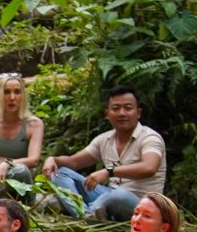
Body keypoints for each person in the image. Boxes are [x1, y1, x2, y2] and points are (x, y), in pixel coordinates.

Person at [41, 85, 166, 221]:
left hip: (142, 204)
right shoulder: (104, 139)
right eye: (116, 108)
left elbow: (149, 167)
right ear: (107, 114)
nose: (122, 113)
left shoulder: (150, 137)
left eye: (128, 108)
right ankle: (85, 214)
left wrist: (109, 171)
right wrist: (52, 159)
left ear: (138, 113)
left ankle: (88, 213)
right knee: (61, 173)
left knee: (118, 195)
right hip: (107, 196)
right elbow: (74, 162)